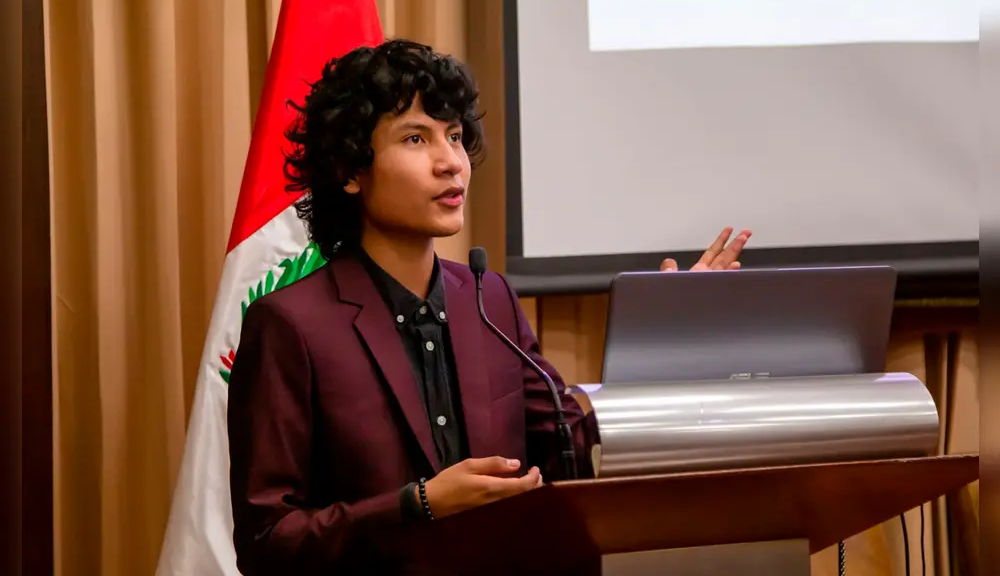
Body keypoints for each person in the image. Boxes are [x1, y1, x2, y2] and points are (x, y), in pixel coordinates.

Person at [226, 38, 751, 575]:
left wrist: (666, 342)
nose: (451, 163)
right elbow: (267, 541)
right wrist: (417, 505)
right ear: (350, 169)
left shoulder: (489, 298)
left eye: (454, 136)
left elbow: (573, 451)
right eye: (415, 138)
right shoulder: (291, 324)